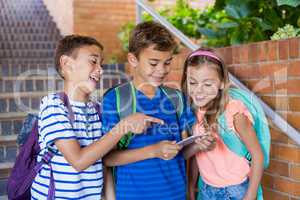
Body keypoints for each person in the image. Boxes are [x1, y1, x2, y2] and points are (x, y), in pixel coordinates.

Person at [30, 35, 162, 199]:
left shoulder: (97, 109)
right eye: (93, 61)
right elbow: (78, 161)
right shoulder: (53, 105)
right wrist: (124, 126)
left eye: (101, 63)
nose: (101, 69)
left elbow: (103, 162)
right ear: (66, 63)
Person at [102, 21, 198, 200]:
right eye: (153, 63)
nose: (162, 70)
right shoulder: (115, 99)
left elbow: (183, 153)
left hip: (175, 195)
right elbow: (108, 158)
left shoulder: (177, 98)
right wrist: (153, 151)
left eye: (167, 62)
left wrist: (199, 145)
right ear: (133, 60)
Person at [182, 48, 265, 200]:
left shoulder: (233, 112)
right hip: (206, 189)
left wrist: (251, 195)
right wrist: (191, 186)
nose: (198, 90)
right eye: (192, 82)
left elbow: (258, 155)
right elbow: (194, 156)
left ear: (222, 83)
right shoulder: (193, 113)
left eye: (207, 84)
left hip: (236, 190)